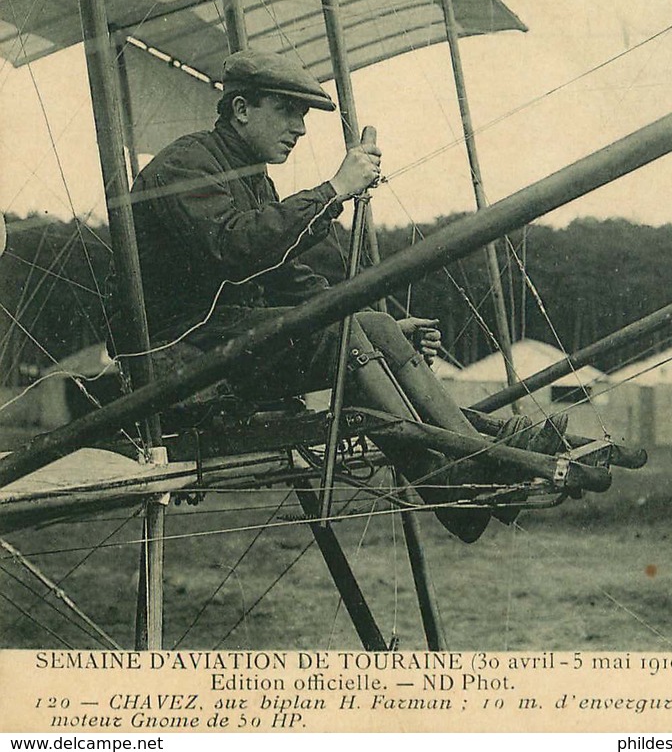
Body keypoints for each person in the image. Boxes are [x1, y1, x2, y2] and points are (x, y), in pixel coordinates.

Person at [110, 48, 558, 542]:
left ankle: (474, 461)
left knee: (376, 326)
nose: (300, 128)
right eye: (287, 110)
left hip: (222, 345)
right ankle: (459, 478)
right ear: (241, 110)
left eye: (301, 114)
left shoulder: (252, 179)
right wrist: (334, 191)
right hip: (174, 358)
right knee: (348, 333)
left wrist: (384, 333)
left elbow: (287, 279)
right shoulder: (187, 165)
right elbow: (233, 246)